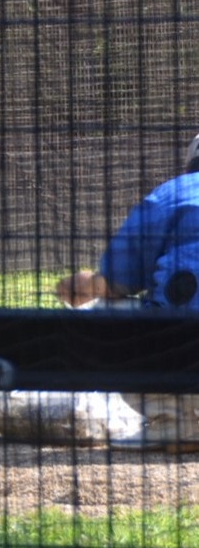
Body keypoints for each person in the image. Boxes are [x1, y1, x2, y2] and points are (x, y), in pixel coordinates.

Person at [52, 132, 199, 445]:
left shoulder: (172, 195)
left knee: (106, 311)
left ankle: (176, 420)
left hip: (179, 354)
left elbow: (114, 284)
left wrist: (74, 285)